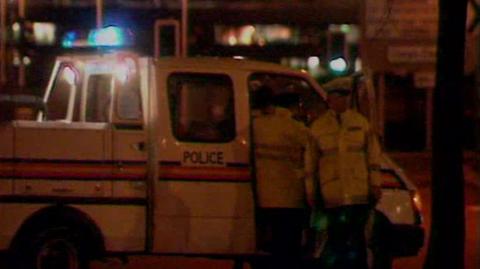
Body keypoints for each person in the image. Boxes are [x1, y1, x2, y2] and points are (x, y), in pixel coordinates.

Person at [309, 76, 382, 269]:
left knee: (358, 245)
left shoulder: (361, 123)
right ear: (329, 98)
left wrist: (375, 184)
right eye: (338, 96)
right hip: (332, 198)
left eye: (345, 96)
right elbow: (311, 166)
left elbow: (373, 157)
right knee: (335, 246)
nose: (342, 100)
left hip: (359, 196)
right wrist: (311, 194)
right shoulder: (318, 128)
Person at [251, 85, 316, 269]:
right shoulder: (294, 128)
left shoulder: (254, 126)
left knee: (265, 249)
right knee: (288, 249)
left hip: (262, 198)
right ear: (293, 107)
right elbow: (316, 148)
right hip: (290, 198)